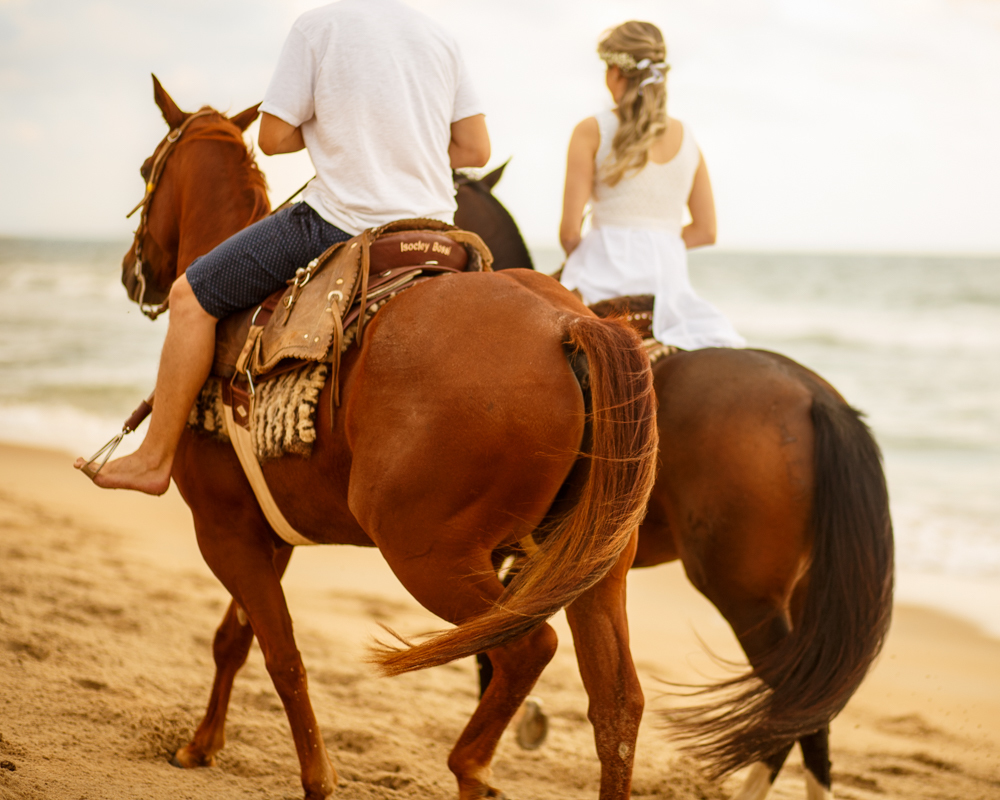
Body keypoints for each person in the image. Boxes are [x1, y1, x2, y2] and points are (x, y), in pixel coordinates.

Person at [75, 0, 490, 494]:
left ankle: (153, 459)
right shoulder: (440, 36)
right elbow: (475, 150)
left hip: (340, 221)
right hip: (437, 230)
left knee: (190, 298)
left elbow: (271, 138)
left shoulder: (316, 26)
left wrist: (342, 133)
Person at [558, 21, 744, 351]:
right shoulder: (688, 138)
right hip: (667, 291)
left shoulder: (591, 130)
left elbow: (570, 234)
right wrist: (658, 243)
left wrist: (615, 249)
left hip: (601, 282)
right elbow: (706, 231)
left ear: (616, 72)